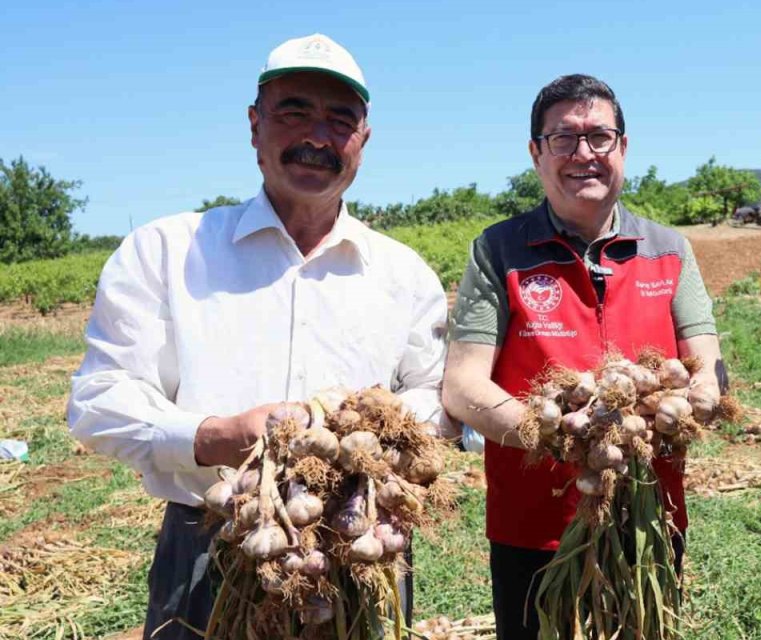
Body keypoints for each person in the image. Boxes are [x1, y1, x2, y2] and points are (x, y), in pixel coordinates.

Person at [65, 34, 450, 639]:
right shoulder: (165, 250)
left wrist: (379, 431)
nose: (317, 137)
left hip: (360, 542)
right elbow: (97, 400)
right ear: (254, 125)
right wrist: (213, 436)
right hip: (208, 544)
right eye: (294, 111)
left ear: (363, 141)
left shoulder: (404, 274)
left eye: (339, 120)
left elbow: (434, 394)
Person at [441, 74, 725, 640]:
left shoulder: (669, 250)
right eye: (563, 139)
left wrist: (686, 409)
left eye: (599, 137)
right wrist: (550, 433)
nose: (583, 155)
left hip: (648, 518)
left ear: (623, 148)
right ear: (535, 154)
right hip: (534, 526)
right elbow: (463, 386)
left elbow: (706, 372)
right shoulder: (498, 249)